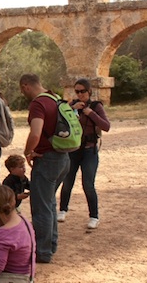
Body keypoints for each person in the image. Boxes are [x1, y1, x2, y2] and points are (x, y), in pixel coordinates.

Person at [19, 73, 70, 264]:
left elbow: (36, 132)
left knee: (41, 207)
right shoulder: (54, 98)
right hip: (63, 157)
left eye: (22, 90)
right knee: (49, 204)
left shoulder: (38, 104)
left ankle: (42, 251)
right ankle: (51, 245)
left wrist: (28, 151)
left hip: (47, 159)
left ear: (26, 86)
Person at [57, 78, 110, 229]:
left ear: (89, 92)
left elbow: (106, 126)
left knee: (88, 184)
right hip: (73, 150)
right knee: (67, 181)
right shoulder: (71, 105)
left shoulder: (96, 106)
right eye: (77, 91)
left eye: (83, 91)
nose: (80, 94)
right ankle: (62, 210)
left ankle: (94, 216)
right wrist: (71, 107)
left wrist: (90, 113)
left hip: (89, 150)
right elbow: (59, 115)